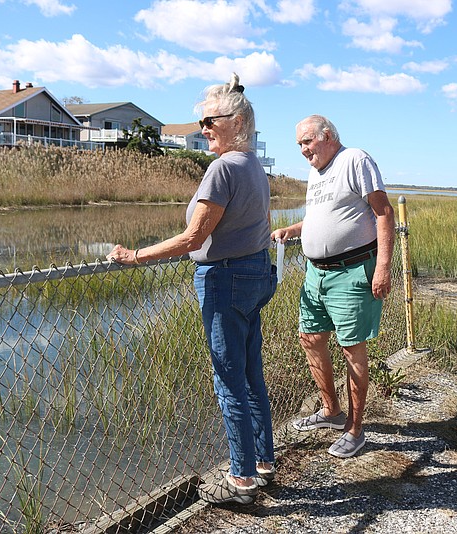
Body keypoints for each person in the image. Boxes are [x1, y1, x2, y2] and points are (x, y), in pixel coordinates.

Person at [107, 73, 277, 505]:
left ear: (237, 123)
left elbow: (192, 239)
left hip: (226, 280)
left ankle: (240, 482)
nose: (203, 130)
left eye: (209, 122)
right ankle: (262, 462)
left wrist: (135, 256)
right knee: (251, 376)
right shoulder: (254, 167)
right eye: (201, 123)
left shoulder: (223, 168)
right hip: (255, 274)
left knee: (229, 382)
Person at [270, 114, 395, 458]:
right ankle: (332, 412)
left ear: (327, 136)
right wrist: (292, 231)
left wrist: (382, 266)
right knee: (310, 338)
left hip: (352, 270)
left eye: (306, 142)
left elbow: (384, 213)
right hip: (316, 273)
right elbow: (321, 218)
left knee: (351, 348)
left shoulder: (355, 160)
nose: (302, 150)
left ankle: (356, 430)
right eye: (298, 144)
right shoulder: (316, 173)